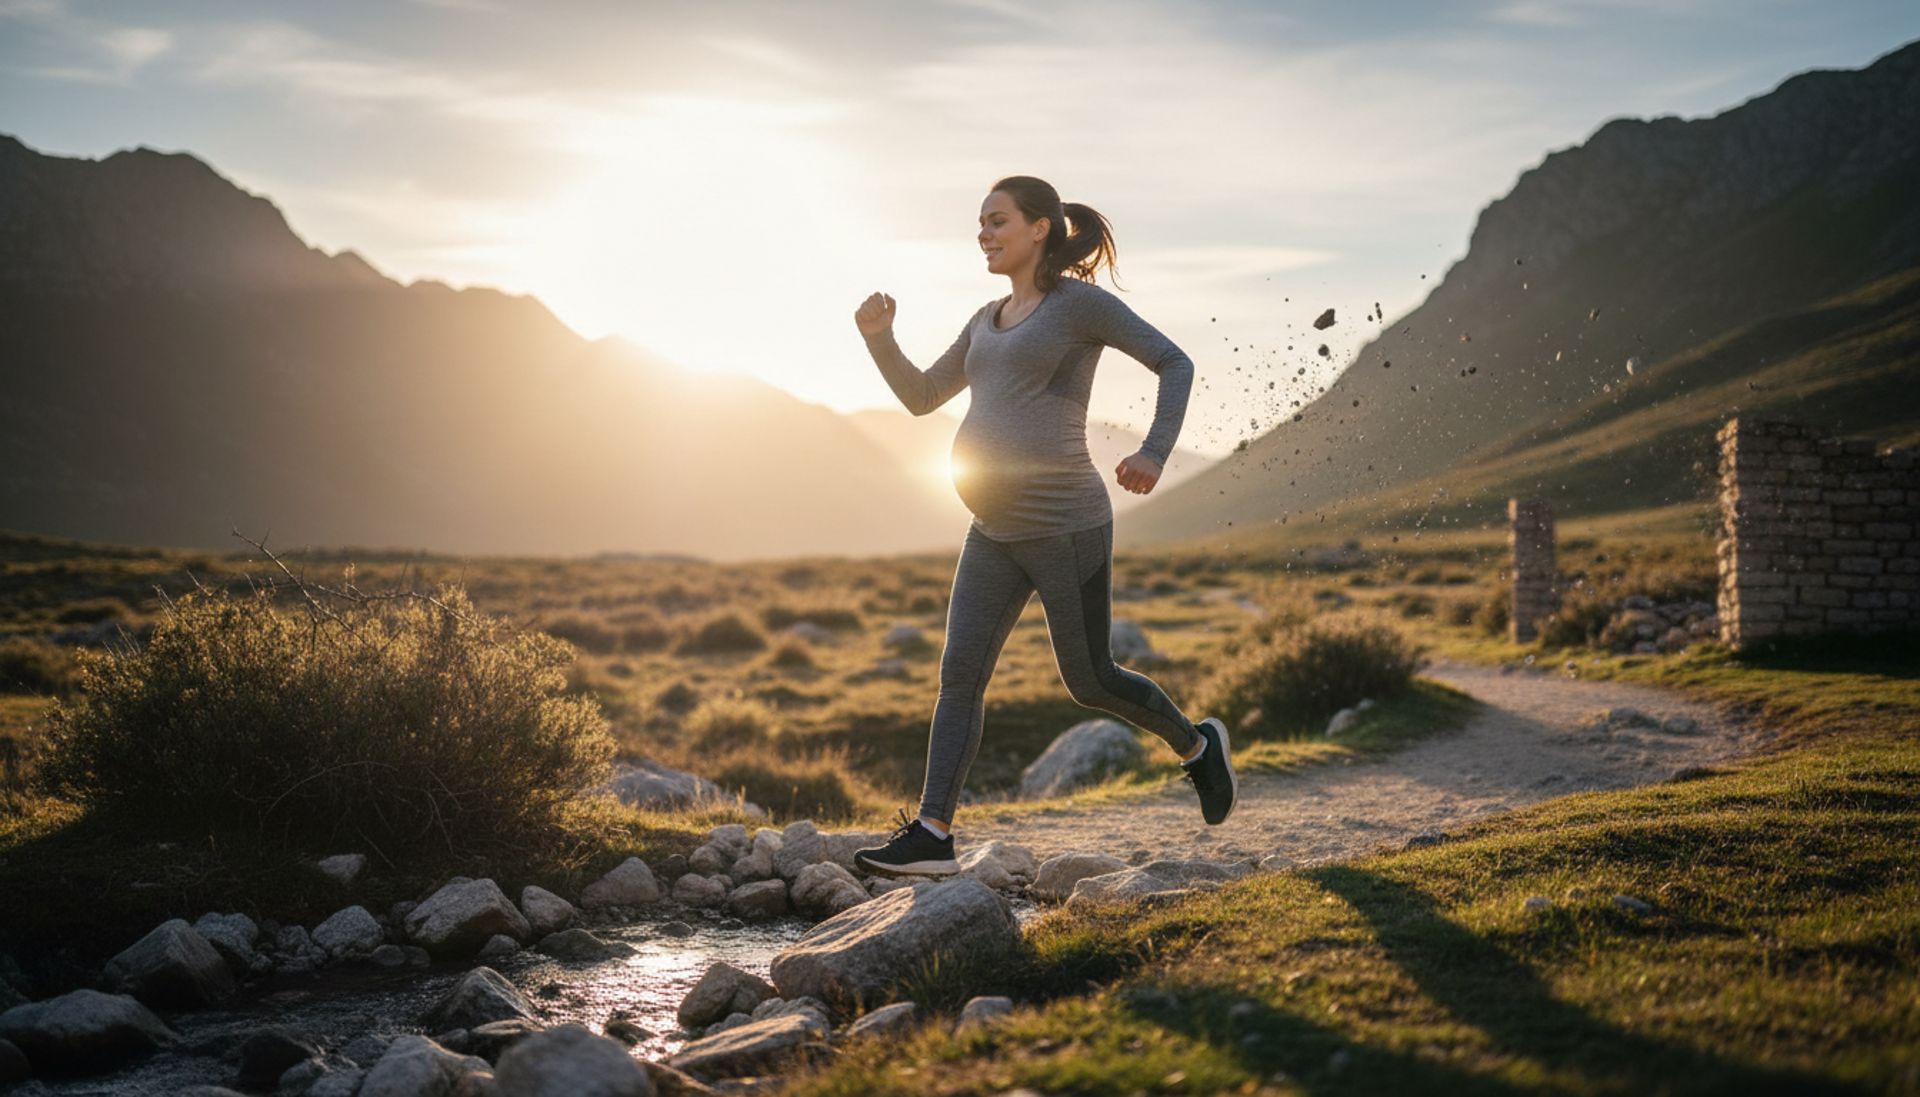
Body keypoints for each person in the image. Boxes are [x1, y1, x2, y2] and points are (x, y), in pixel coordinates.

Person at [850, 175, 1237, 878]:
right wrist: (881, 340)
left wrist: (1154, 451)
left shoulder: (1078, 305)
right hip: (991, 530)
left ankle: (1197, 745)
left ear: (1039, 228)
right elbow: (924, 396)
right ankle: (933, 833)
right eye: (980, 223)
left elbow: (1174, 361)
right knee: (959, 675)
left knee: (1090, 680)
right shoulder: (984, 318)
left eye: (997, 220)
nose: (984, 234)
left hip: (1065, 526)